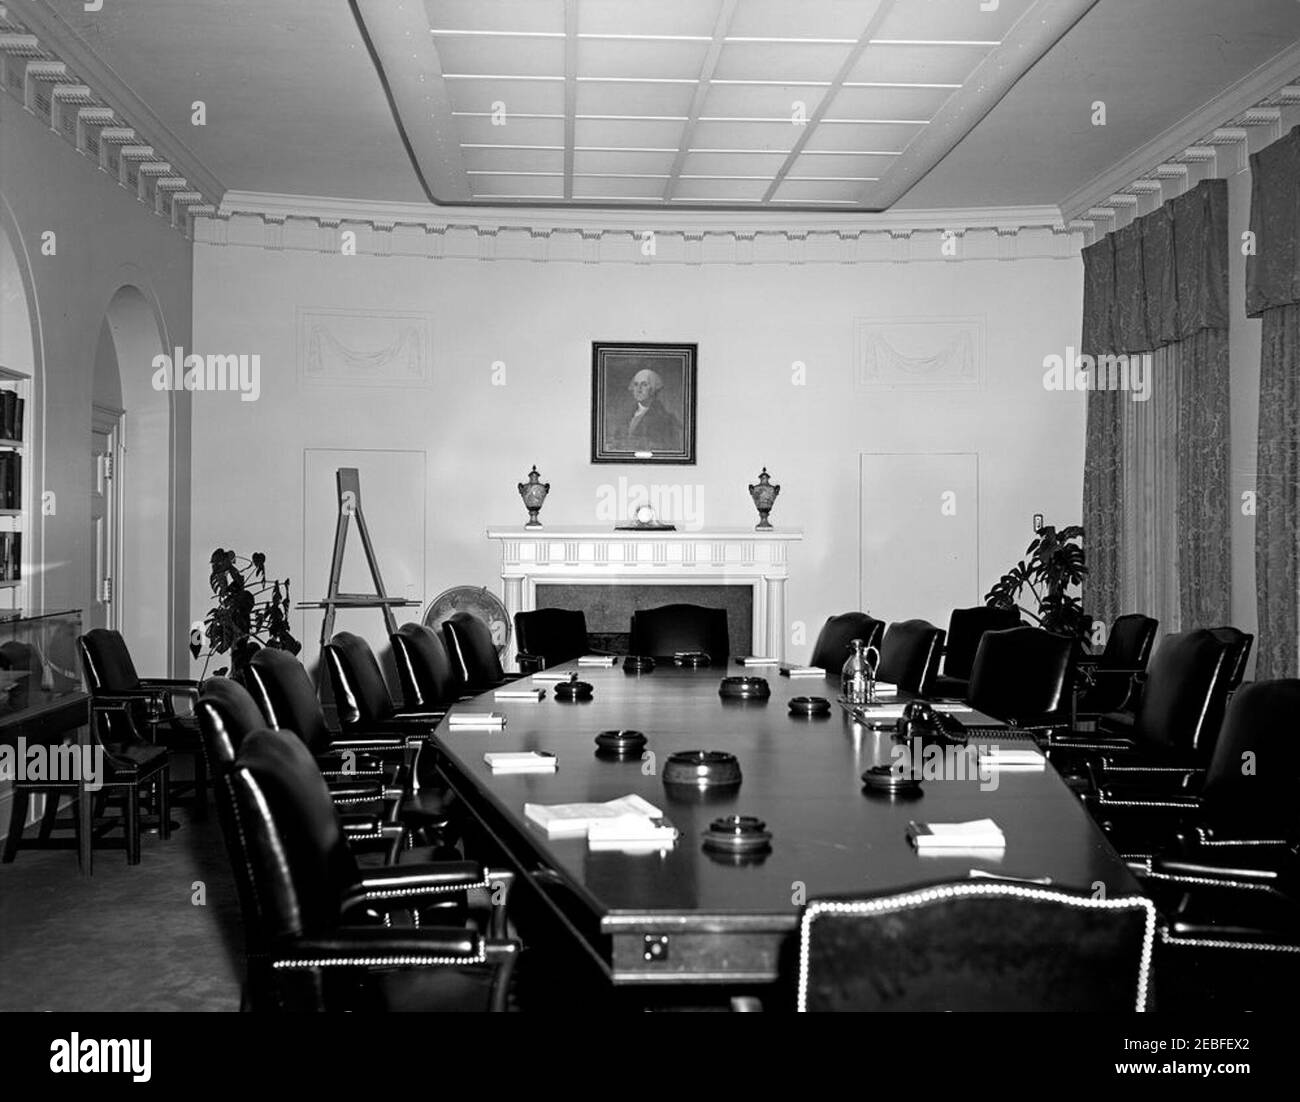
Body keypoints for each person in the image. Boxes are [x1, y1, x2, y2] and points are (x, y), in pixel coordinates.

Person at [621, 368, 682, 452]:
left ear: (653, 389)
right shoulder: (628, 415)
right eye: (636, 384)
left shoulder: (665, 419)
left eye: (644, 385)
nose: (638, 389)